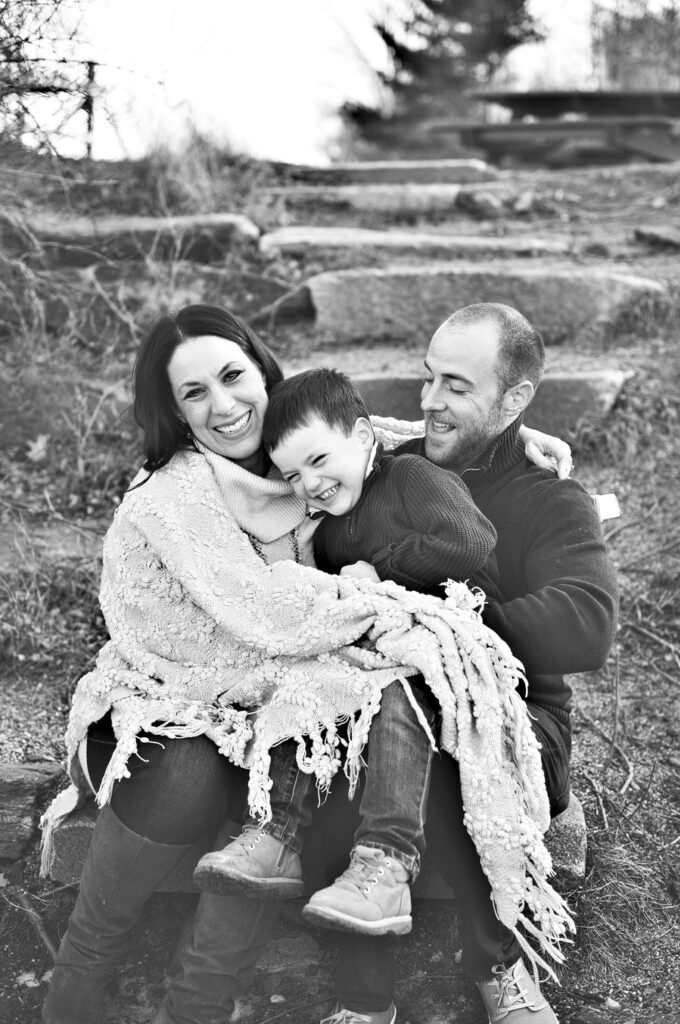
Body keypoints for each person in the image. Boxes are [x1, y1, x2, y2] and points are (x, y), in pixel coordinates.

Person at [40, 302, 572, 1024]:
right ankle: (81, 973)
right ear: (173, 412)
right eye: (194, 393)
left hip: (279, 688)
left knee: (324, 742)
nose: (224, 405)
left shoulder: (285, 451)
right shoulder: (172, 497)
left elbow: (368, 439)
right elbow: (265, 610)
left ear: (262, 371)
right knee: (205, 768)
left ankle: (198, 1002)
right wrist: (387, 603)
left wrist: (509, 440)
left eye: (233, 376)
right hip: (176, 687)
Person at [316, 303, 619, 1024]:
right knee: (353, 751)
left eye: (456, 385)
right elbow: (303, 438)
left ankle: (497, 966)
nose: (428, 402)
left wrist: (442, 633)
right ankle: (364, 1003)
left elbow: (586, 625)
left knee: (445, 756)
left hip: (518, 721)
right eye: (428, 379)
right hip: (382, 707)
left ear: (514, 400)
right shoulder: (391, 472)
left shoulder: (551, 499)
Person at [193, 367, 503, 939]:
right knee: (309, 679)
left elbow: (470, 542)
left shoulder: (411, 476)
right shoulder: (329, 526)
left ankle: (386, 864)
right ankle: (276, 834)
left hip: (442, 645)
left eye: (317, 461)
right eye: (291, 474)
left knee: (395, 689)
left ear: (363, 437)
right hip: (376, 646)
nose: (307, 483)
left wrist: (379, 574)